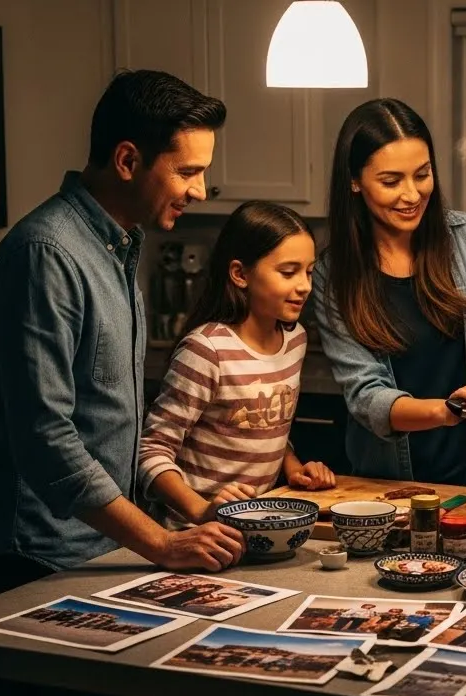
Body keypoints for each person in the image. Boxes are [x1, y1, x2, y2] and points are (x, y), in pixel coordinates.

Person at [0, 68, 242, 696]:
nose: (200, 191)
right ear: (127, 159)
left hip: (91, 545)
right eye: (188, 171)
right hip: (33, 554)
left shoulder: (119, 243)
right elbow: (46, 440)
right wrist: (161, 544)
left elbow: (110, 416)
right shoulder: (46, 254)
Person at [312, 98, 466, 485]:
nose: (413, 195)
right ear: (354, 180)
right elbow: (366, 397)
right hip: (389, 486)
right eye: (391, 181)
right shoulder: (334, 274)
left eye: (422, 174)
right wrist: (445, 411)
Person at [138, 201, 336, 528]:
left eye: (309, 271)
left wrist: (293, 467)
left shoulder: (295, 340)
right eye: (288, 272)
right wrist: (202, 510)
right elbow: (151, 450)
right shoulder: (207, 350)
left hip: (255, 528)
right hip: (194, 533)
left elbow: (262, 426)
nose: (304, 285)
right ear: (240, 274)